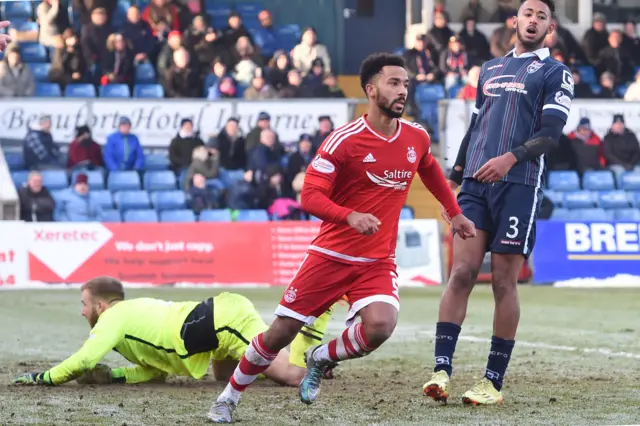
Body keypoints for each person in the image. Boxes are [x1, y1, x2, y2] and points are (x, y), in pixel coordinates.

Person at [207, 52, 475, 423]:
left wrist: (455, 211)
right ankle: (228, 397)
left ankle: (321, 356)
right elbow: (310, 196)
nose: (402, 91)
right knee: (280, 333)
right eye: (394, 83)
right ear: (371, 89)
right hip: (331, 256)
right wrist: (348, 216)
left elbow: (427, 167)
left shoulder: (416, 136)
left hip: (377, 259)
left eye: (406, 84)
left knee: (381, 325)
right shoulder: (343, 141)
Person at [423, 0, 573, 407]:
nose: (534, 21)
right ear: (515, 20)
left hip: (519, 185)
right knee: (462, 272)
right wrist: (453, 178)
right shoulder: (489, 69)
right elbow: (476, 126)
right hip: (474, 184)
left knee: (505, 282)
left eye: (542, 17)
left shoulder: (556, 73)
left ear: (551, 28)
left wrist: (510, 157)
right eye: (528, 13)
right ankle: (441, 370)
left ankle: (492, 381)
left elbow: (550, 136)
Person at [12, 277, 331, 387]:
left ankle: (318, 327)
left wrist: (43, 378)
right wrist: (116, 377)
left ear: (101, 306)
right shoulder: (125, 319)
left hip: (221, 321)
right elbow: (156, 372)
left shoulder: (113, 319)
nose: (81, 311)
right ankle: (309, 358)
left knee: (292, 377)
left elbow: (84, 360)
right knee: (224, 376)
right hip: (214, 329)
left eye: (84, 304)